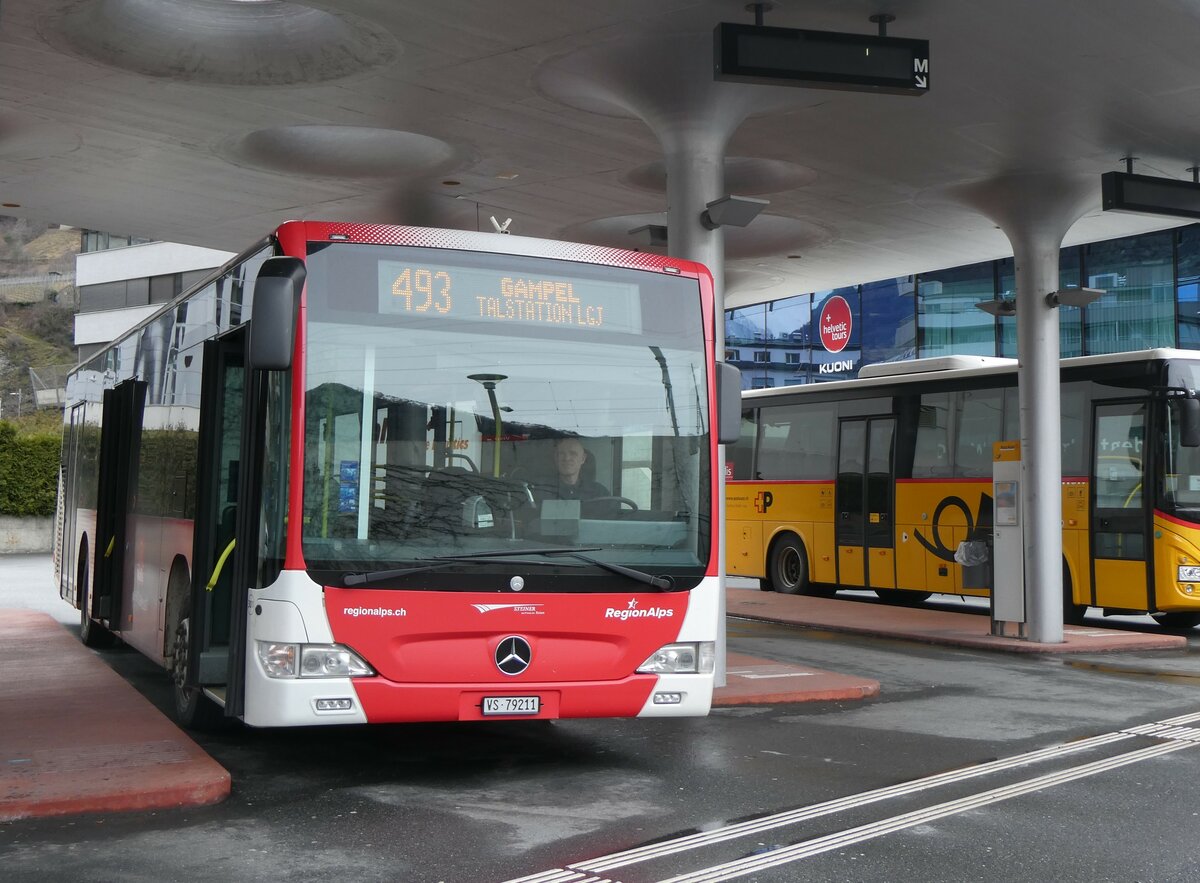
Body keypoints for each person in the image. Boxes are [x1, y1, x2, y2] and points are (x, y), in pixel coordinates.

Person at [547, 436, 609, 501]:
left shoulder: (599, 493)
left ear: (583, 459)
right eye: (561, 454)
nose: (567, 458)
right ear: (555, 458)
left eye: (573, 454)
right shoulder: (541, 490)